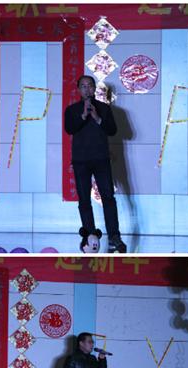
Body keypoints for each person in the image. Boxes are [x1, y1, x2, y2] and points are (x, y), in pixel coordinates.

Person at [64, 75, 126, 253]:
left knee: (108, 198)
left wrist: (98, 118)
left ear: (94, 88)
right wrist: (83, 115)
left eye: (90, 86)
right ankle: (90, 236)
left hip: (101, 159)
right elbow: (69, 129)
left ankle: (114, 236)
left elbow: (113, 130)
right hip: (81, 161)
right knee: (84, 200)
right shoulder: (72, 110)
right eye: (83, 86)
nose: (87, 89)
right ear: (79, 90)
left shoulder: (104, 108)